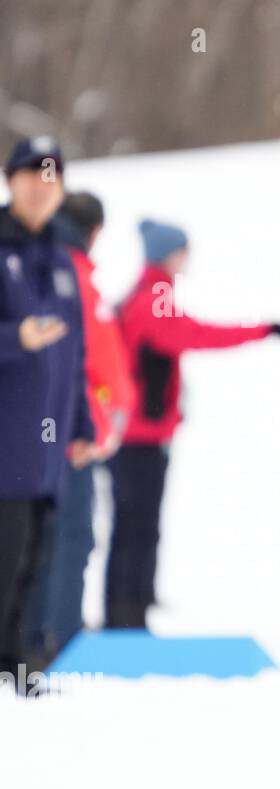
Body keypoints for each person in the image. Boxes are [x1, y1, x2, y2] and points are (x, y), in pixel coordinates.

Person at [106, 219, 280, 629]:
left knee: (132, 524)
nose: (189, 258)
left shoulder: (144, 292)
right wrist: (260, 330)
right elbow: (194, 334)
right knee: (139, 527)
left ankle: (128, 609)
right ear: (168, 254)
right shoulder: (156, 296)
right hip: (141, 436)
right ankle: (128, 619)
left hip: (136, 432)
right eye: (184, 250)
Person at [0, 136, 96, 695]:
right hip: (5, 442)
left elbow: (74, 355)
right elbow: (31, 341)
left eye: (52, 177)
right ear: (10, 181)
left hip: (47, 445)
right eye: (31, 175)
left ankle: (14, 665)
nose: (41, 187)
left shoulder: (61, 260)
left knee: (33, 563)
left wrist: (81, 424)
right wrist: (16, 338)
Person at [22, 191, 135, 664]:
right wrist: (104, 422)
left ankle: (30, 636)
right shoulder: (75, 279)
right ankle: (57, 641)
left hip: (35, 428)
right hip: (70, 434)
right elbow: (101, 363)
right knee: (70, 539)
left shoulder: (30, 266)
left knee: (38, 539)